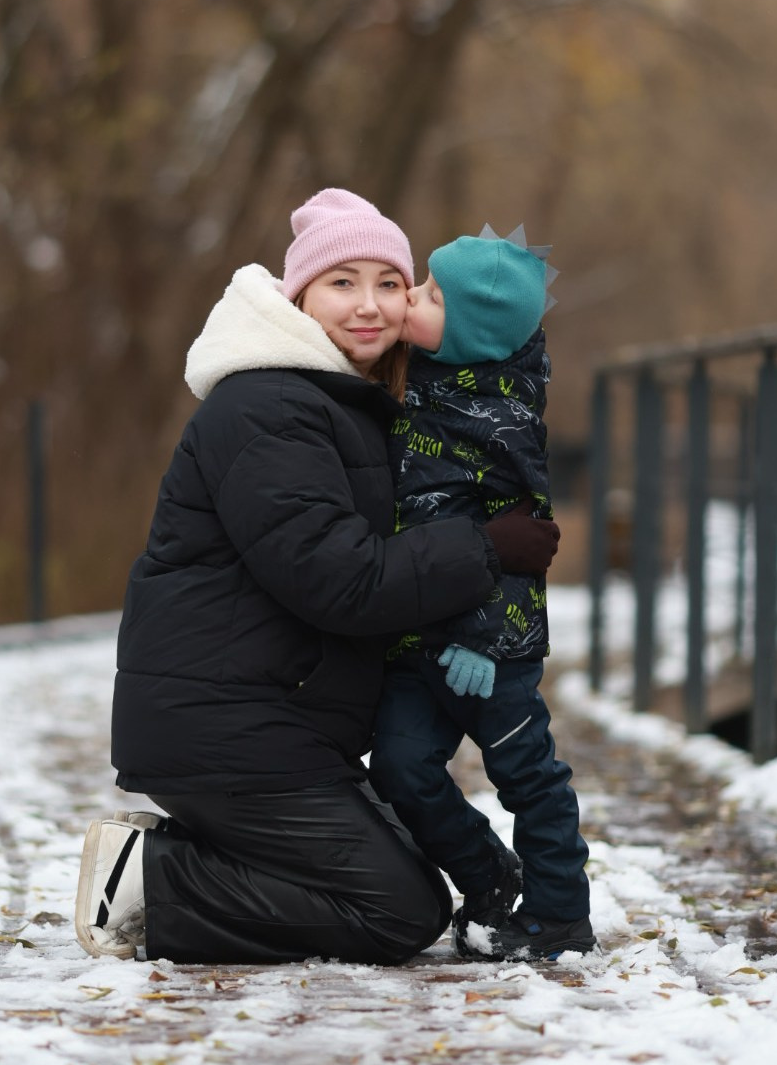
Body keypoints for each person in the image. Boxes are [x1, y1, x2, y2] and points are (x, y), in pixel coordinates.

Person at [74, 189, 561, 966]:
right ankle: (155, 882)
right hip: (224, 731)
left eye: (389, 284)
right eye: (343, 282)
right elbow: (341, 580)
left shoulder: (342, 399)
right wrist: (484, 547)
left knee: (409, 878)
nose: (369, 306)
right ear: (299, 291)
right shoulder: (269, 406)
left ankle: (222, 848)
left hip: (273, 727)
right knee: (398, 913)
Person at [367, 224, 594, 962]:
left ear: (473, 334)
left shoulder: (506, 423)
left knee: (527, 774)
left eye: (431, 297)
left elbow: (526, 546)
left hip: (488, 650)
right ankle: (490, 876)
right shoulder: (425, 384)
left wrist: (480, 640)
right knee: (400, 768)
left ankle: (561, 912)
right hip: (414, 638)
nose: (412, 300)